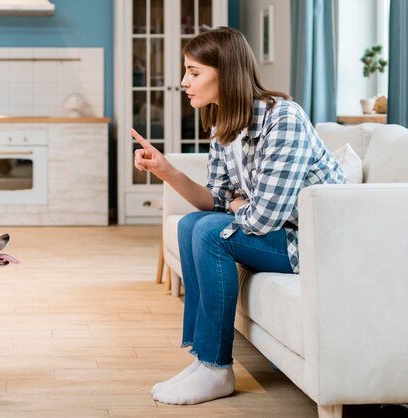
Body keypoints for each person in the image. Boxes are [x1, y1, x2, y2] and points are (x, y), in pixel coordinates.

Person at [132, 27, 346, 405]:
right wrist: (167, 170)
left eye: (194, 72)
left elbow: (262, 218)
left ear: (226, 72)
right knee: (191, 224)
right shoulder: (223, 126)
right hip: (285, 232)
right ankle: (203, 359)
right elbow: (214, 200)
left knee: (212, 233)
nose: (184, 82)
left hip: (318, 243)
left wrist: (236, 204)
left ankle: (217, 370)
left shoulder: (283, 119)